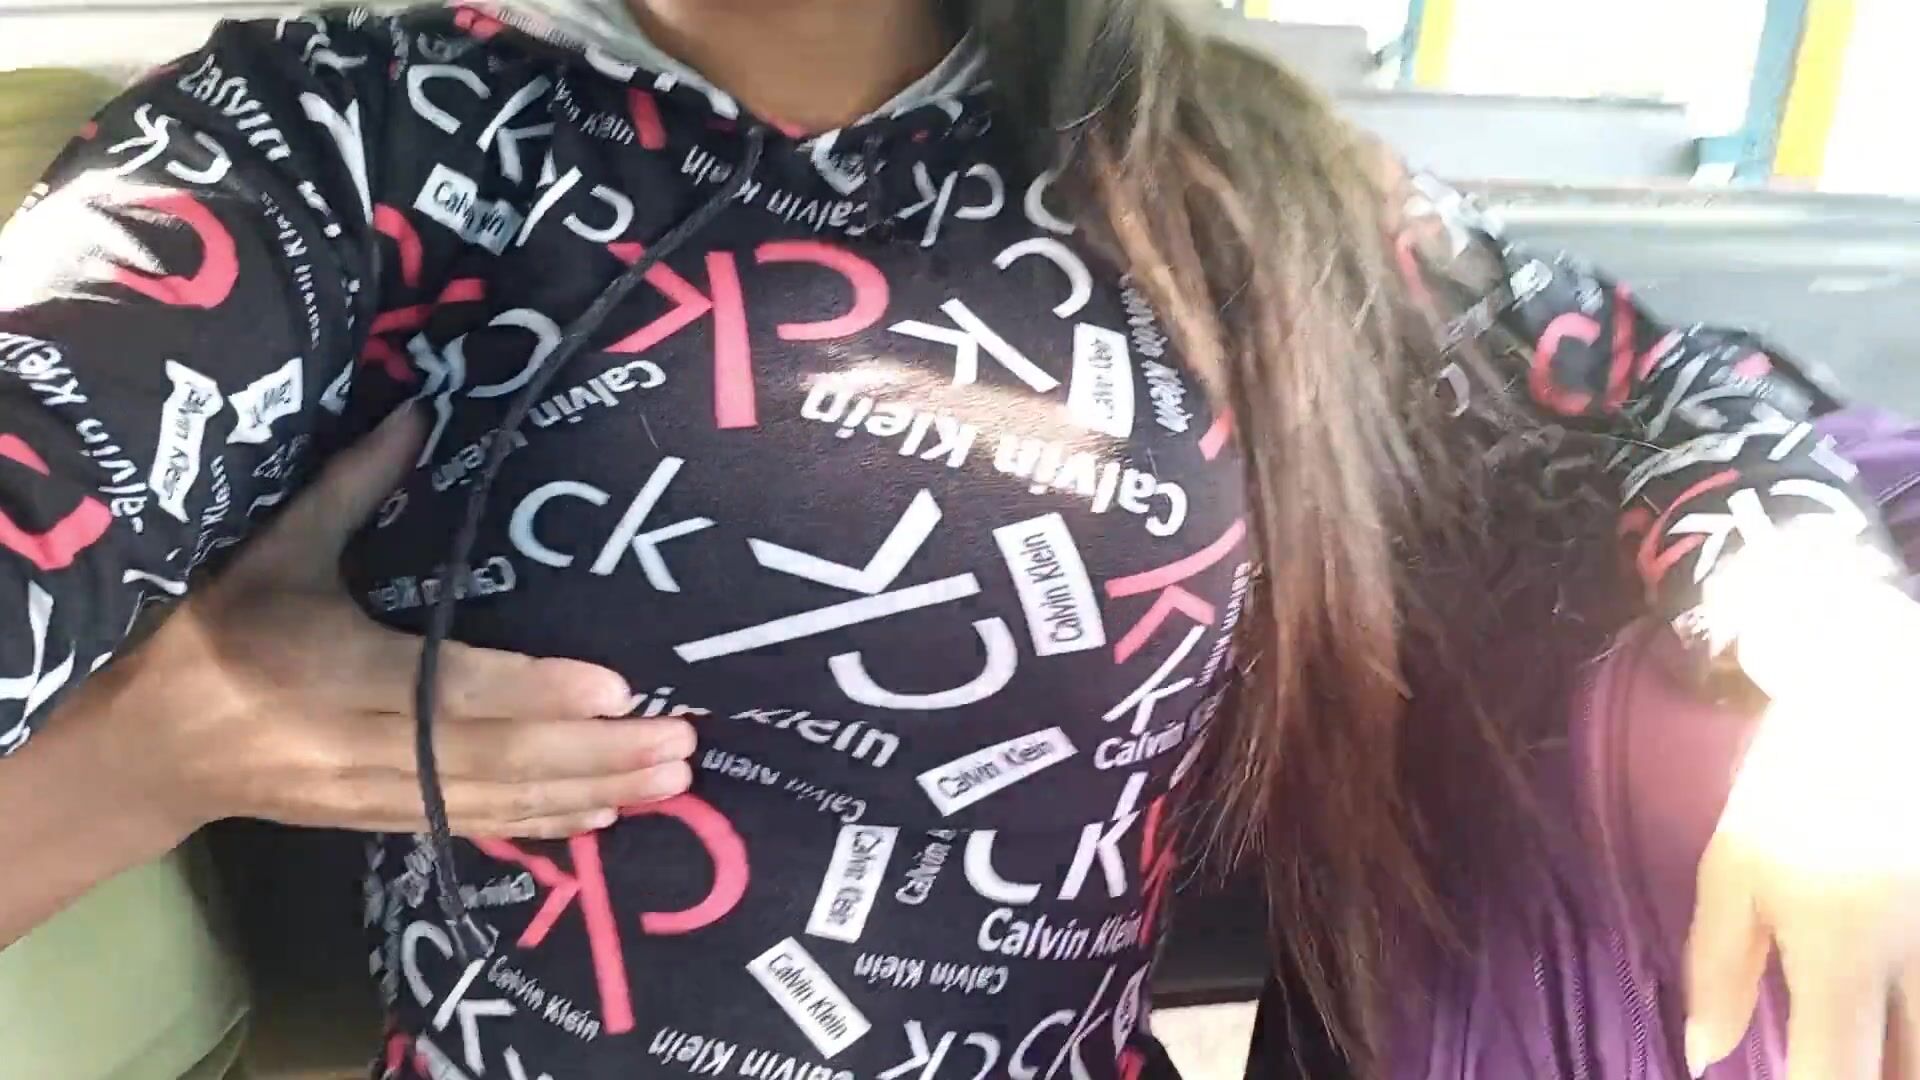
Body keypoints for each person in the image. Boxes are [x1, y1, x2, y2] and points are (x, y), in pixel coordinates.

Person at [0, 1, 1913, 1077]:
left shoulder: (1230, 173)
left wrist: (1839, 672)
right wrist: (155, 754)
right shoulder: (357, 134)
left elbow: (1664, 395)